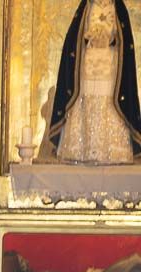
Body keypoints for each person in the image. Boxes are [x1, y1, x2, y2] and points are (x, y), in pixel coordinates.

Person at [45, 0, 141, 165]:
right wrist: (90, 36)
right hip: (88, 64)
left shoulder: (118, 8)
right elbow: (74, 40)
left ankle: (111, 150)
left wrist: (110, 39)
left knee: (110, 103)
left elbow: (125, 41)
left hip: (110, 66)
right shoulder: (87, 7)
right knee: (86, 100)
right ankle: (82, 148)